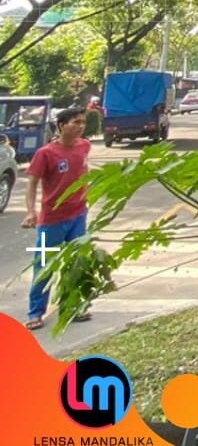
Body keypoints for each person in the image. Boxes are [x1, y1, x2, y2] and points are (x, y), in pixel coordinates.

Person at [21, 107, 93, 330]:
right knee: (44, 266)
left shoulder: (84, 146)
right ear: (61, 125)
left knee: (76, 265)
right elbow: (32, 183)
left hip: (78, 215)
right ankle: (35, 312)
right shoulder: (46, 153)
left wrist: (87, 190)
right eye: (75, 122)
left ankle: (73, 307)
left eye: (82, 122)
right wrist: (30, 211)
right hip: (51, 219)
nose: (80, 126)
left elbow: (83, 167)